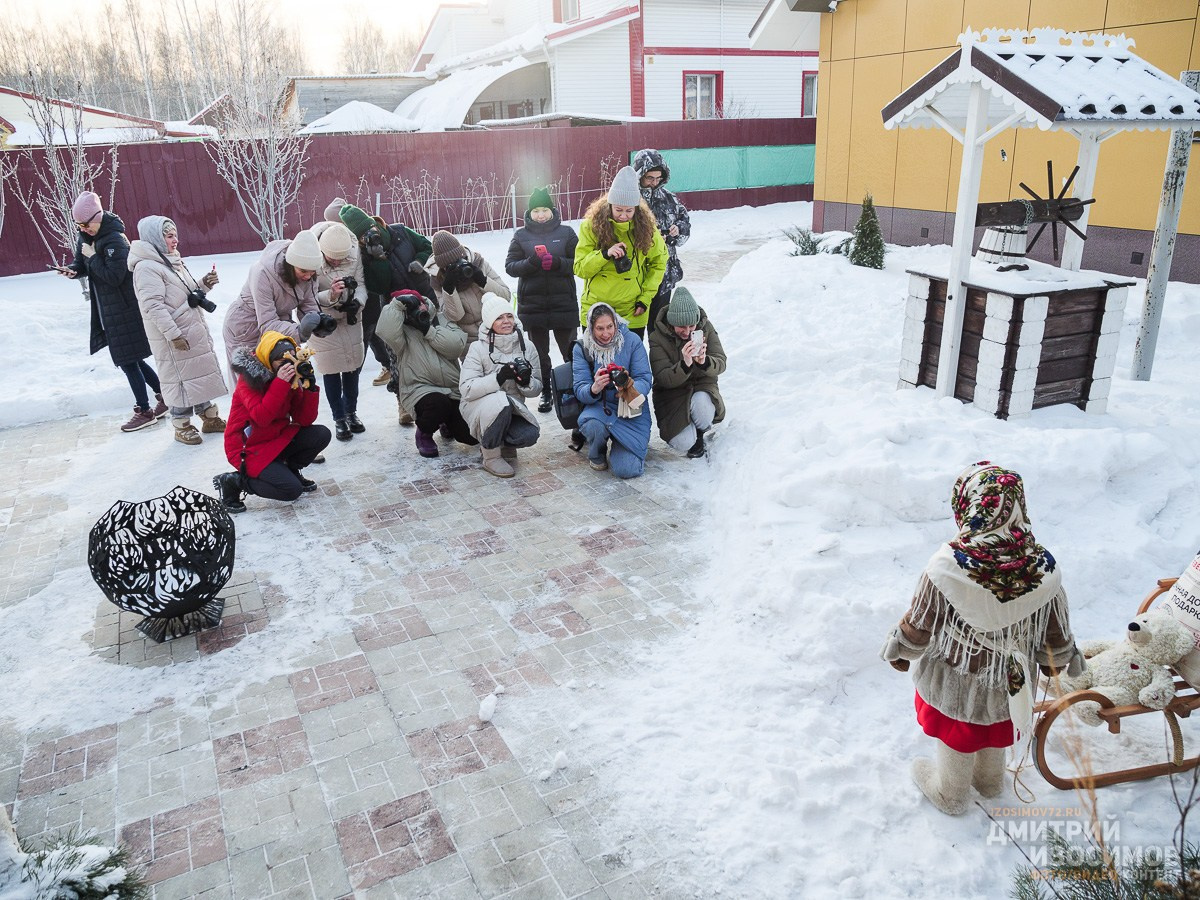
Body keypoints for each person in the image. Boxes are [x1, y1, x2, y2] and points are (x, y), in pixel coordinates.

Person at [880, 462, 1084, 816]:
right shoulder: (1043, 567)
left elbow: (921, 621)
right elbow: (1054, 628)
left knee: (960, 730)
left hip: (958, 674)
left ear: (969, 507)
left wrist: (902, 648)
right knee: (995, 726)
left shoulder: (949, 568)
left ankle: (950, 792)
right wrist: (1055, 660)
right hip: (1012, 679)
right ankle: (990, 782)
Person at [58, 191, 166, 433]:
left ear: (99, 217)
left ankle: (145, 410)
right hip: (108, 309)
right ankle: (165, 396)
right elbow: (83, 263)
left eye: (87, 224)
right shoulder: (85, 238)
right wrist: (74, 270)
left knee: (128, 361)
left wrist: (94, 256)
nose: (83, 229)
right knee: (132, 359)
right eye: (79, 225)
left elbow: (116, 277)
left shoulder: (116, 240)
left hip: (125, 308)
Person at [127, 215, 229, 445]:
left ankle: (208, 417)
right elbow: (153, 305)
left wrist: (204, 284)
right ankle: (181, 425)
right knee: (181, 379)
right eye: (170, 236)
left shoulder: (169, 260)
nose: (176, 241)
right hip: (173, 335)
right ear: (156, 238)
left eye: (175, 235)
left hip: (189, 329)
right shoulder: (147, 267)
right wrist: (173, 335)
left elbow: (185, 292)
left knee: (196, 373)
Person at [213, 332, 331, 513]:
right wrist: (280, 383)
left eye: (291, 358)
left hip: (277, 438)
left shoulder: (289, 377)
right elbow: (262, 417)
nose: (287, 364)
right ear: (268, 360)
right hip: (248, 448)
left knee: (321, 434)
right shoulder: (248, 380)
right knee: (291, 490)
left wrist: (309, 388)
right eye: (281, 360)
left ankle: (290, 469)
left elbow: (303, 419)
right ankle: (235, 482)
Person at [338, 203, 434, 426]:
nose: (369, 236)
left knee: (432, 349)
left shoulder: (399, 231)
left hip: (424, 299)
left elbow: (426, 245)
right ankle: (403, 404)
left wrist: (420, 260)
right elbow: (378, 286)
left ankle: (441, 400)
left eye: (369, 230)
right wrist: (377, 260)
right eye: (362, 236)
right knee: (398, 359)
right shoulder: (364, 256)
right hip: (394, 307)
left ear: (374, 222)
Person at [376, 289, 478, 459]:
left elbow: (456, 348)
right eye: (410, 308)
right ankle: (424, 433)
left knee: (469, 437)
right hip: (419, 389)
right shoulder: (400, 333)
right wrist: (397, 304)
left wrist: (428, 330)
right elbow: (385, 331)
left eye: (418, 303)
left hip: (452, 389)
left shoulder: (440, 318)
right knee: (438, 404)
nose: (417, 309)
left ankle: (445, 422)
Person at [505, 185, 578, 413]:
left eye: (544, 210)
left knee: (570, 351)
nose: (540, 215)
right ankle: (546, 391)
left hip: (563, 303)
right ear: (530, 213)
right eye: (536, 210)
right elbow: (510, 267)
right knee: (539, 355)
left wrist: (558, 263)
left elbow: (579, 263)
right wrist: (531, 263)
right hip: (533, 306)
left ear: (552, 210)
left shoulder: (566, 233)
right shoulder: (521, 235)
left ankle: (573, 390)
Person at [574, 165, 667, 340]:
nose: (623, 216)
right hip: (596, 308)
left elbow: (659, 263)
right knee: (596, 365)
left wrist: (645, 299)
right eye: (618, 210)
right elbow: (580, 268)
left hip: (632, 310)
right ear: (609, 205)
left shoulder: (647, 230)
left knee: (630, 364)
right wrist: (603, 255)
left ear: (636, 209)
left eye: (629, 211)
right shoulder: (591, 226)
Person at [222, 230, 330, 373]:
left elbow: (308, 305)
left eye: (312, 272)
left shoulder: (308, 273)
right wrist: (298, 332)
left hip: (277, 323)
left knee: (283, 380)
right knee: (253, 384)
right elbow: (267, 323)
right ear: (291, 264)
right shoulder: (262, 273)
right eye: (303, 271)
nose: (308, 276)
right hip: (246, 327)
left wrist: (318, 324)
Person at [459, 294, 542, 478]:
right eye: (499, 317)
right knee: (500, 402)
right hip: (478, 408)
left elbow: (537, 388)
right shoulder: (477, 348)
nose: (506, 321)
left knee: (529, 433)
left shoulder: (527, 346)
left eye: (509, 316)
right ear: (489, 323)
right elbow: (466, 389)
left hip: (512, 407)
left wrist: (525, 381)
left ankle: (506, 445)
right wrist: (499, 378)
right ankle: (490, 454)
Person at [573, 302, 653, 478]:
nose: (606, 333)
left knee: (627, 470)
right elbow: (580, 388)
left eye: (610, 326)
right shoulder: (582, 348)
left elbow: (645, 379)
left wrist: (628, 386)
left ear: (616, 323)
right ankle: (597, 452)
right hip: (600, 407)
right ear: (591, 328)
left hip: (629, 407)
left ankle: (625, 445)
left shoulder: (632, 341)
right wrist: (594, 388)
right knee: (593, 426)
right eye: (599, 328)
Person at [322, 198, 393, 389]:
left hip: (368, 297)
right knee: (374, 336)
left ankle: (353, 379)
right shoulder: (335, 243)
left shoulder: (361, 239)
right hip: (353, 297)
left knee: (365, 337)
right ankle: (388, 367)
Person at [648, 287, 725, 459]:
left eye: (692, 325)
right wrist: (685, 364)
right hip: (672, 394)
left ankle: (699, 431)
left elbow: (721, 362)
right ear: (671, 322)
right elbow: (662, 378)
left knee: (703, 411)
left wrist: (704, 362)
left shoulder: (706, 328)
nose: (688, 331)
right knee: (682, 443)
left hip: (701, 387)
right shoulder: (657, 338)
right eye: (681, 326)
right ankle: (687, 432)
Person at [309, 221, 366, 441]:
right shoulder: (310, 255)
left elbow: (360, 283)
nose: (337, 262)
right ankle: (339, 418)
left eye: (341, 259)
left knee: (352, 366)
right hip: (323, 321)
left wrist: (357, 301)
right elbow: (307, 296)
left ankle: (351, 412)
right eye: (333, 259)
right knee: (330, 369)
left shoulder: (353, 251)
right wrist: (331, 296)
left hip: (350, 317)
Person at [633, 149, 691, 327]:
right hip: (636, 279)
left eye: (658, 178)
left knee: (659, 331)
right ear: (640, 174)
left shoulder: (669, 198)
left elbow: (685, 225)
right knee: (633, 333)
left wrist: (677, 231)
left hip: (664, 278)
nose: (654, 182)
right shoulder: (629, 199)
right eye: (650, 178)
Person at [430, 230, 511, 344]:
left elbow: (506, 296)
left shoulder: (479, 263)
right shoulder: (438, 280)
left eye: (460, 260)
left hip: (498, 332)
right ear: (443, 268)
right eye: (452, 265)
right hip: (471, 340)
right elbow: (455, 317)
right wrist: (449, 288)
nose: (459, 266)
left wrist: (482, 280)